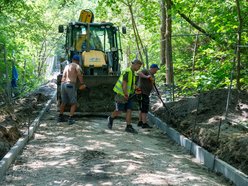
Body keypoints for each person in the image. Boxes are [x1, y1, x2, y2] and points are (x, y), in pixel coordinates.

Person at [107, 59, 143, 133]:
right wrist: (125, 94)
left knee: (129, 110)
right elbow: (124, 84)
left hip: (128, 94)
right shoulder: (127, 72)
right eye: (139, 66)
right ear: (135, 64)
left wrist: (136, 88)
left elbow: (131, 84)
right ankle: (111, 118)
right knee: (119, 110)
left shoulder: (132, 73)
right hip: (122, 94)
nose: (139, 68)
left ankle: (128, 126)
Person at [58, 54, 84, 125]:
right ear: (78, 61)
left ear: (72, 59)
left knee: (64, 102)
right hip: (70, 85)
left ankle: (60, 117)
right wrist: (82, 83)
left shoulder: (67, 66)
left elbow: (63, 76)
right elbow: (79, 74)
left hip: (63, 85)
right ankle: (70, 118)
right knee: (74, 103)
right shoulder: (77, 66)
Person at [137, 64, 160, 128]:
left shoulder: (153, 76)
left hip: (146, 93)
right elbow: (138, 73)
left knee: (142, 107)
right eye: (156, 69)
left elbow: (152, 86)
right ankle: (144, 123)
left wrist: (157, 93)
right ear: (153, 68)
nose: (156, 71)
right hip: (141, 92)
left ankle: (140, 121)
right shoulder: (146, 71)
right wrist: (146, 77)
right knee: (144, 108)